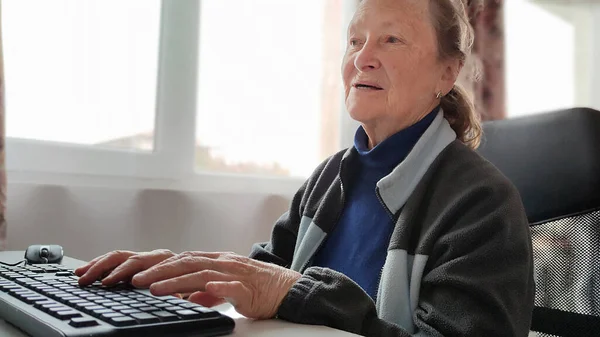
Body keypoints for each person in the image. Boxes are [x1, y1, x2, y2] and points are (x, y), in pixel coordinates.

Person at [75, 0, 535, 335]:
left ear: (447, 72)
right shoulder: (329, 177)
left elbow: (287, 290)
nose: (361, 57)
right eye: (355, 40)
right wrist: (185, 275)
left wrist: (295, 293)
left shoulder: (483, 203)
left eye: (391, 39)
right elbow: (268, 276)